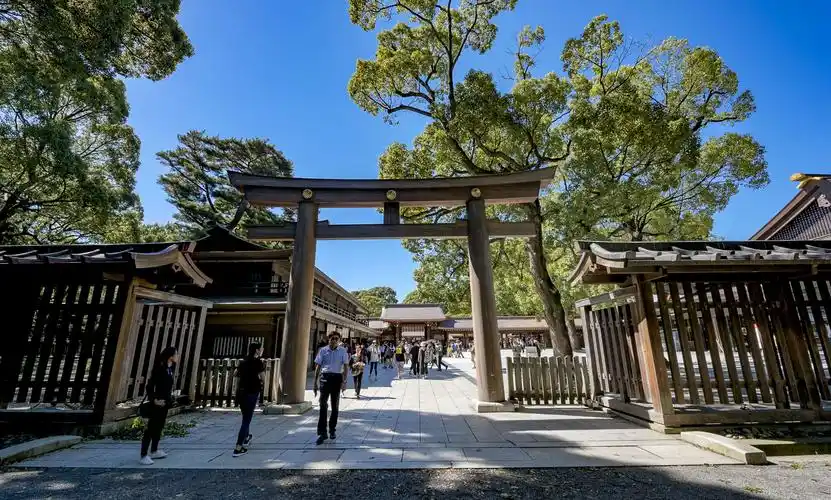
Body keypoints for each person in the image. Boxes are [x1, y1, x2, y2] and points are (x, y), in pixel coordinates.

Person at [140, 346, 177, 465]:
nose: (177, 356)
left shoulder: (171, 368)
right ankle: (143, 454)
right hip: (157, 402)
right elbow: (150, 386)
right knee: (151, 427)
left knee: (159, 426)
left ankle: (154, 450)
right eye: (176, 354)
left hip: (165, 402)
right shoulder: (159, 368)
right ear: (170, 356)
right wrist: (154, 400)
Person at [313, 331, 349, 446]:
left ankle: (332, 429)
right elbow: (318, 366)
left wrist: (344, 382)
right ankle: (322, 432)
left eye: (336, 338)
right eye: (332, 338)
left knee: (335, 405)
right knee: (323, 404)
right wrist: (315, 382)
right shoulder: (323, 350)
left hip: (337, 378)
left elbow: (346, 366)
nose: (334, 340)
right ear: (328, 339)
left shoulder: (343, 351)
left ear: (339, 340)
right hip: (325, 377)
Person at [231, 342, 265, 457]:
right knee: (246, 420)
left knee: (245, 416)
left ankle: (246, 437)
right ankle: (238, 447)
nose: (262, 350)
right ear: (256, 350)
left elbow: (235, 374)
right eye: (261, 348)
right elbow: (263, 378)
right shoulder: (258, 362)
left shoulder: (243, 361)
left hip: (241, 391)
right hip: (252, 391)